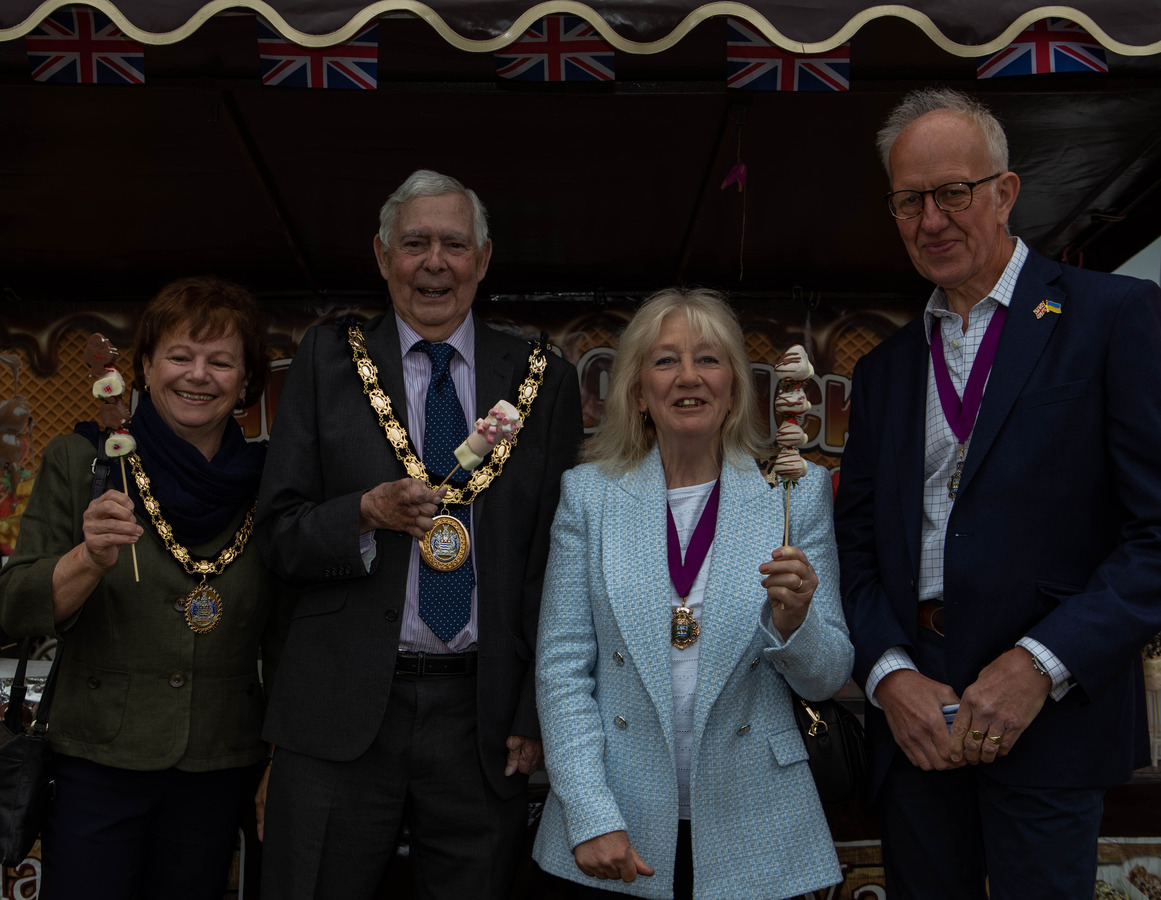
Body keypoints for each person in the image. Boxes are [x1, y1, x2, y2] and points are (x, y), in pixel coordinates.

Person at [834, 87, 1161, 899]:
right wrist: (887, 676)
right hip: (916, 721)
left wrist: (1039, 666)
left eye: (953, 192)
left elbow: (1155, 533)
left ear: (1005, 191)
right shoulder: (883, 372)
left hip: (1050, 711)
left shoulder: (1112, 316)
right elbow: (857, 545)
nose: (932, 219)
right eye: (909, 200)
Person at [255, 169, 584, 900]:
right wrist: (362, 514)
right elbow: (276, 536)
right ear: (381, 256)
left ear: (484, 258)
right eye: (414, 243)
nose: (434, 262)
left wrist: (533, 708)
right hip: (337, 709)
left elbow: (553, 565)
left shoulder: (541, 380)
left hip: (481, 716)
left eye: (453, 244)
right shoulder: (324, 361)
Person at [532, 288, 853, 900]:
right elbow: (562, 671)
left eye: (708, 359)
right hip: (618, 821)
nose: (689, 377)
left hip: (757, 821)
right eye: (665, 361)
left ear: (734, 384)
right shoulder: (589, 496)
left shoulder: (793, 493)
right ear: (637, 390)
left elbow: (828, 676)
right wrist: (592, 815)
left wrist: (795, 623)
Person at [0, 275, 281, 900]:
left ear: (245, 381)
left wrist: (283, 756)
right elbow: (14, 605)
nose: (198, 375)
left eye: (221, 361)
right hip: (98, 757)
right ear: (146, 368)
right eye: (180, 356)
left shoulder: (273, 481)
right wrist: (88, 557)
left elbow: (292, 630)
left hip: (219, 758)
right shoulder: (82, 460)